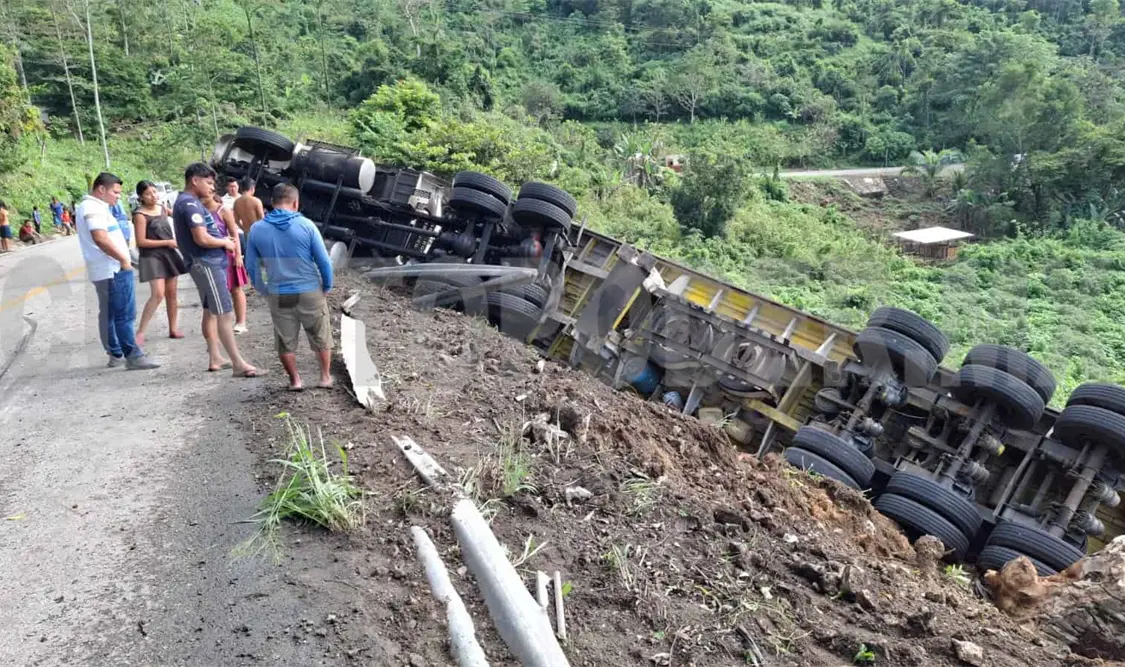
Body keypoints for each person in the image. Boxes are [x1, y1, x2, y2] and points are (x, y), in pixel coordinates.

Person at [171, 162, 263, 377]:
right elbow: (201, 238)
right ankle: (238, 363)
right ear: (195, 180)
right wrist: (225, 243)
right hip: (207, 263)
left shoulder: (188, 202)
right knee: (224, 311)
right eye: (209, 183)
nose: (212, 188)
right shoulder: (190, 205)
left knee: (210, 309)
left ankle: (215, 356)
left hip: (206, 263)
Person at [246, 182, 334, 392]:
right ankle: (324, 377)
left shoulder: (257, 229)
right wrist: (327, 284)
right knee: (320, 335)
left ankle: (295, 381)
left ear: (272, 202)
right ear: (295, 202)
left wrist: (263, 288)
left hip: (279, 292)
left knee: (285, 340)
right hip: (309, 290)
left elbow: (251, 265)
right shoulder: (306, 225)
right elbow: (324, 261)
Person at [75, 172, 159, 370]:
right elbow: (100, 237)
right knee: (124, 314)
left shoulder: (94, 207)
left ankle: (115, 352)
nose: (118, 196)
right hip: (112, 269)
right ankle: (133, 355)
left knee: (110, 313)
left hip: (106, 269)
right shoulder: (92, 207)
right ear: (101, 189)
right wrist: (123, 260)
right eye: (115, 192)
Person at [134, 180, 187, 345]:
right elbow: (141, 242)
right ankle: (140, 332)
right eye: (148, 194)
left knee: (172, 294)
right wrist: (167, 242)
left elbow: (180, 217)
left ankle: (173, 328)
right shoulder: (140, 215)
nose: (153, 196)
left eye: (154, 192)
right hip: (152, 256)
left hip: (169, 255)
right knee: (157, 294)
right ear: (141, 197)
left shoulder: (162, 208)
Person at [204, 193, 250, 334]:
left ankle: (241, 322)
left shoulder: (223, 210)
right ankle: (219, 325)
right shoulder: (198, 211)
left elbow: (234, 233)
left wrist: (237, 255)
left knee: (235, 289)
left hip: (227, 255)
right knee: (214, 292)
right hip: (210, 257)